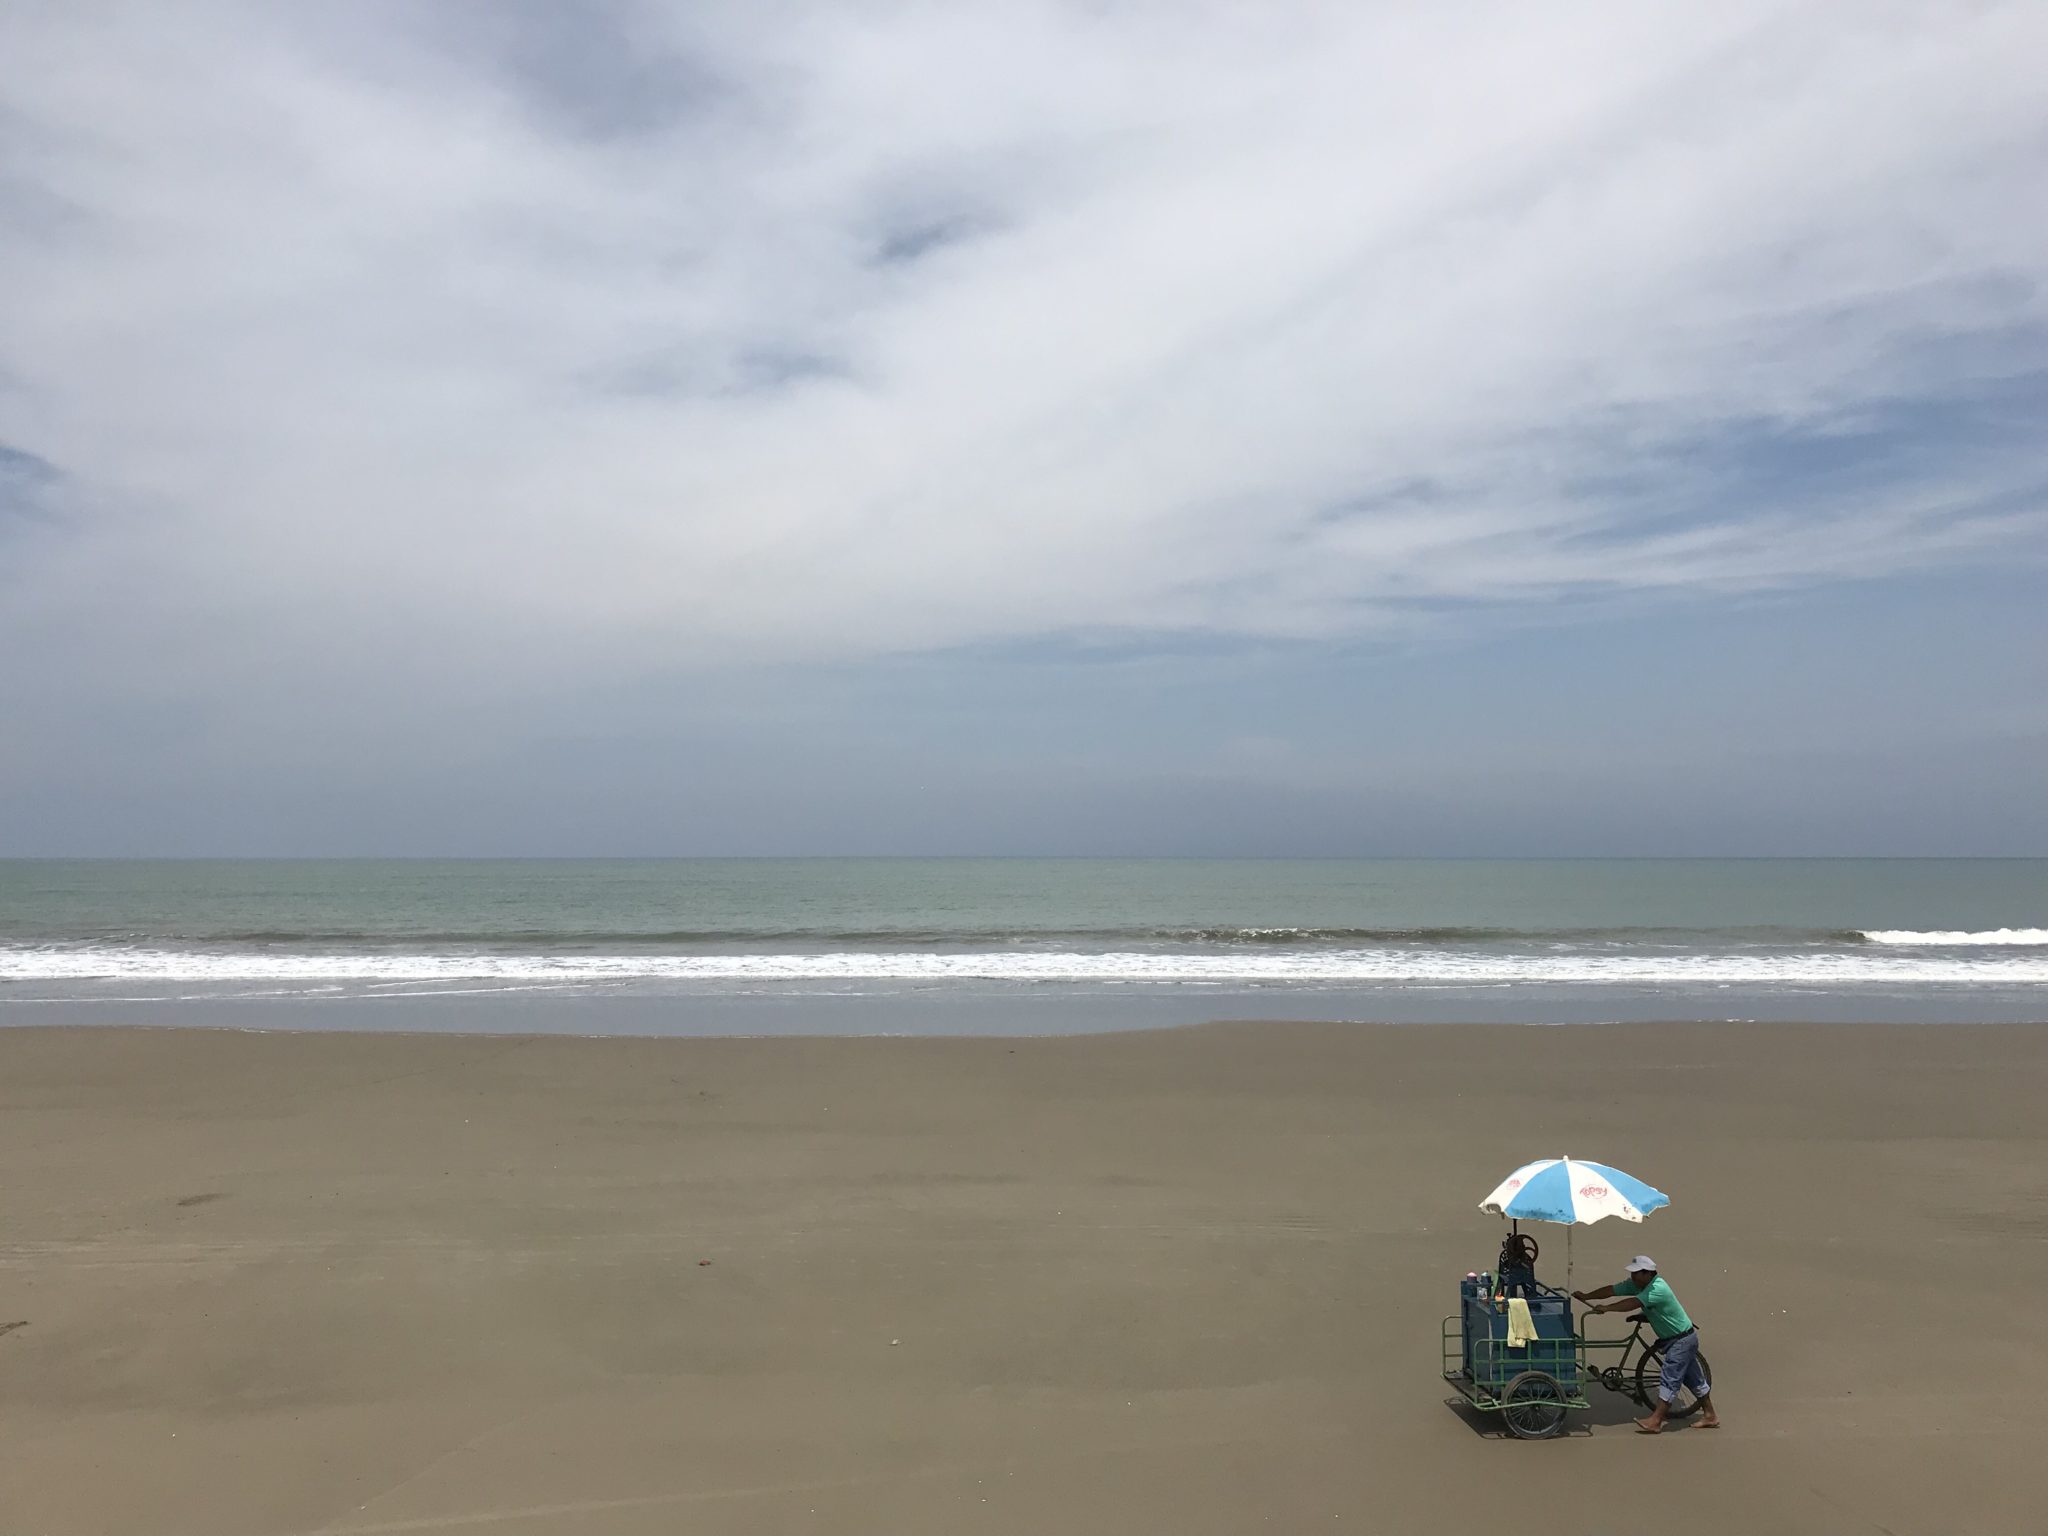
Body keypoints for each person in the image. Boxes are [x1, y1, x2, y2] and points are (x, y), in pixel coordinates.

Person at [1574, 1256, 1719, 1433]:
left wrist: (1607, 1308)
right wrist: (1587, 1295)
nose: (1633, 1277)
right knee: (1693, 1379)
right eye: (1632, 1273)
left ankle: (1656, 1420)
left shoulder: (1658, 1288)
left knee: (1670, 1377)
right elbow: (1612, 1290)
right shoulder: (1638, 1284)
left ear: (1648, 1273)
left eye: (1636, 1273)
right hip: (1673, 1339)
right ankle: (1710, 1415)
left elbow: (1633, 1303)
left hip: (1681, 1340)